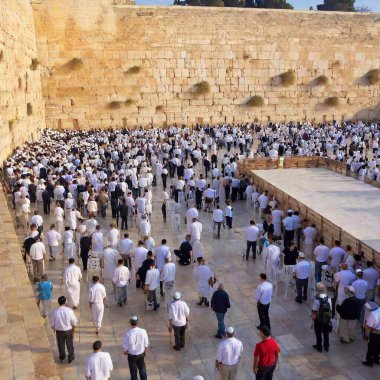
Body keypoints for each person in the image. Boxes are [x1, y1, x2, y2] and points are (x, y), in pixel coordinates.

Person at [50, 296, 77, 363]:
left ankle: (62, 356)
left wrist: (55, 328)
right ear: (65, 302)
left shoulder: (55, 312)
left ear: (58, 303)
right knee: (69, 344)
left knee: (60, 344)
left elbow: (52, 324)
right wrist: (73, 329)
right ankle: (70, 356)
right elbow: (74, 322)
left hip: (59, 331)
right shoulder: (69, 311)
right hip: (68, 330)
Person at [123, 316, 149, 380]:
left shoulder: (128, 333)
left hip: (131, 355)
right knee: (142, 369)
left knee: (133, 371)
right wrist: (145, 350)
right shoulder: (143, 331)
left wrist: (125, 351)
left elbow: (125, 345)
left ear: (130, 323)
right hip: (141, 354)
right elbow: (146, 343)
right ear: (137, 322)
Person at [311, 283, 332, 352]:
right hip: (327, 318)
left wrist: (313, 319)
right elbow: (330, 309)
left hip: (318, 319)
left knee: (318, 333)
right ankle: (326, 346)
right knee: (326, 333)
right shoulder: (328, 298)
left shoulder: (317, 300)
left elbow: (314, 311)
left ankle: (319, 346)